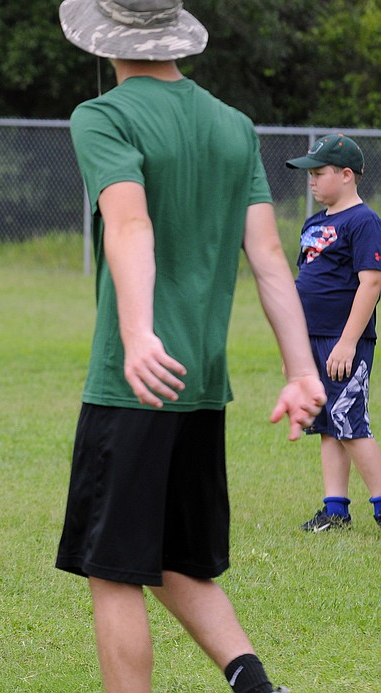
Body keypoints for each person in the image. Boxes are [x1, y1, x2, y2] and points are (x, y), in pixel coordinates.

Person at [54, 2, 326, 692]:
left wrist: (138, 332)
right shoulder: (233, 125)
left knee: (113, 569)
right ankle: (259, 688)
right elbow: (269, 256)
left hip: (135, 379)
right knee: (177, 558)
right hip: (201, 383)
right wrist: (300, 369)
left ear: (104, 36)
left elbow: (129, 223)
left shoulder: (104, 116)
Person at [285, 134, 381, 532]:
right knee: (327, 424)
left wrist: (347, 342)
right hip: (311, 339)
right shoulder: (314, 223)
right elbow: (305, 281)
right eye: (309, 173)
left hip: (343, 342)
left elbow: (371, 283)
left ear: (346, 175)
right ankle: (335, 509)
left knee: (350, 422)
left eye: (319, 172)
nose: (311, 180)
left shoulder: (363, 221)